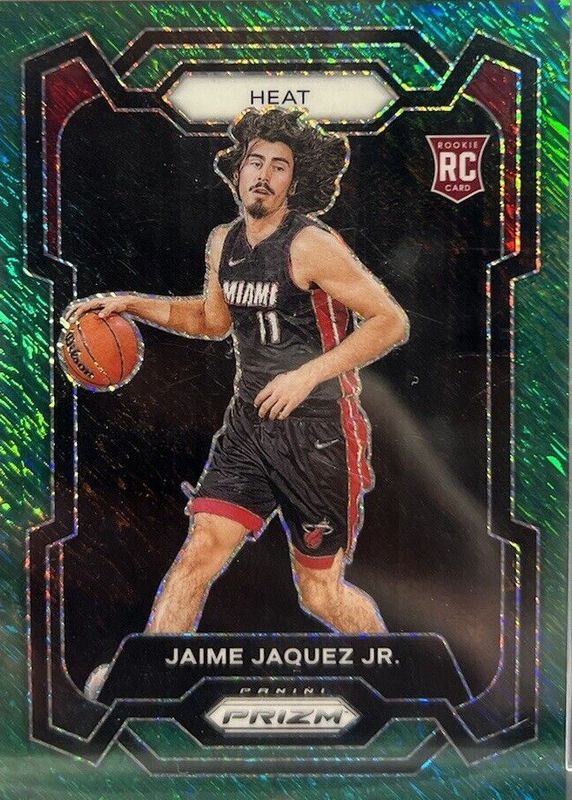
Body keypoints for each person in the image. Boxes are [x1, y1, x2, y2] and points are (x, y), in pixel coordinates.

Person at [71, 107, 409, 697]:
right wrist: (131, 303)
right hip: (249, 431)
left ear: (294, 182)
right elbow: (210, 320)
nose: (264, 175)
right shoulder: (223, 242)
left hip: (318, 435)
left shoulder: (311, 244)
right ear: (237, 170)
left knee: (320, 594)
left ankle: (400, 678)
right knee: (199, 550)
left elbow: (391, 321)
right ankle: (147, 681)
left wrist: (307, 375)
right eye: (256, 162)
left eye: (280, 166)